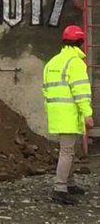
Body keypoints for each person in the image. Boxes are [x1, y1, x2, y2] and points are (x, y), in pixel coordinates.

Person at [42, 24, 94, 205]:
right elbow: (81, 91)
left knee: (68, 151)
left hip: (57, 114)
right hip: (71, 113)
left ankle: (69, 183)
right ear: (80, 42)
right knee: (67, 152)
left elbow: (46, 91)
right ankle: (60, 188)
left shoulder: (52, 63)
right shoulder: (75, 62)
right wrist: (87, 113)